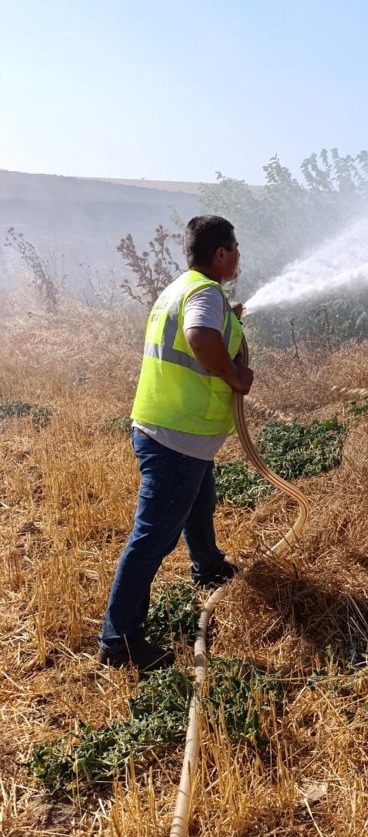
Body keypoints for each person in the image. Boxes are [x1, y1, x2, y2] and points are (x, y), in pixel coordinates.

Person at [98, 215, 254, 673]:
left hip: (170, 430)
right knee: (151, 538)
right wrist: (235, 374)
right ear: (220, 254)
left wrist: (231, 320)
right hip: (177, 437)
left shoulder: (184, 287)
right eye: (235, 247)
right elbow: (199, 337)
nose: (239, 254)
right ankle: (119, 641)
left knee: (199, 501)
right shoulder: (204, 294)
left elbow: (205, 330)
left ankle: (208, 565)